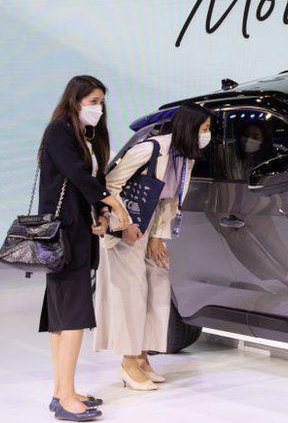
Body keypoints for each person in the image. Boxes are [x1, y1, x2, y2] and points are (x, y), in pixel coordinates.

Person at [94, 103, 212, 390]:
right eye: (204, 129)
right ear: (188, 128)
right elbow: (111, 185)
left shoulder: (184, 158)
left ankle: (142, 356)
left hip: (150, 229)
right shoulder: (151, 149)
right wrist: (124, 222)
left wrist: (158, 236)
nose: (207, 135)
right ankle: (128, 362)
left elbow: (170, 200)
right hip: (126, 231)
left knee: (156, 287)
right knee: (132, 293)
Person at [39, 75, 128, 421]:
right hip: (64, 236)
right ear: (75, 100)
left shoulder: (86, 136)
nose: (98, 108)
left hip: (78, 233)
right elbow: (78, 175)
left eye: (101, 102)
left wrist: (102, 214)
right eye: (93, 101)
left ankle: (62, 391)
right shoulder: (59, 131)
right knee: (70, 316)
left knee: (63, 317)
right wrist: (112, 203)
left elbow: (92, 180)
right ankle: (65, 399)